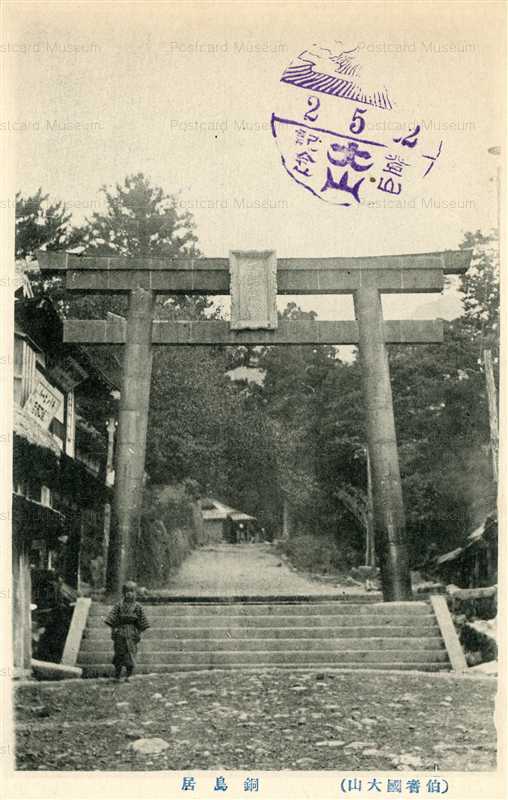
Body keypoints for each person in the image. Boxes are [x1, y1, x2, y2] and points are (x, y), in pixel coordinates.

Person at [104, 581, 150, 681]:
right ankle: (117, 675)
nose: (130, 594)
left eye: (132, 591)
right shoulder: (119, 605)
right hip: (120, 632)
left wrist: (138, 632)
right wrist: (113, 631)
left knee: (130, 655)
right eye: (127, 591)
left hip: (132, 633)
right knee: (119, 655)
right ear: (123, 593)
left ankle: (128, 675)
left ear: (136, 593)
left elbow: (142, 622)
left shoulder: (138, 607)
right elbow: (112, 618)